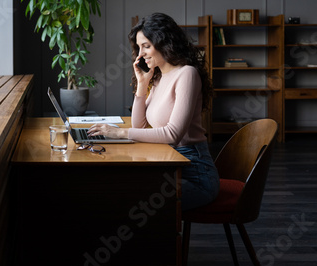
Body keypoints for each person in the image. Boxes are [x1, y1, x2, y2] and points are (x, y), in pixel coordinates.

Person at [88, 12, 219, 210]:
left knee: (132, 197)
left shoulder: (187, 74)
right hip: (169, 163)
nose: (140, 54)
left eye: (146, 46)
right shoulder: (158, 77)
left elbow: (173, 135)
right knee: (120, 189)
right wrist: (143, 84)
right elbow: (138, 126)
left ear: (165, 43)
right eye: (139, 47)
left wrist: (118, 133)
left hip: (195, 174)